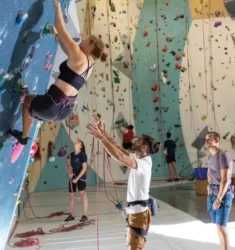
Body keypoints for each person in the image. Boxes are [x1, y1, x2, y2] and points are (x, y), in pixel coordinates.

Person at [9, 0, 108, 145]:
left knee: (27, 102)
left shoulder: (79, 55)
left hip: (53, 105)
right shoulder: (89, 67)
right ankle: (28, 128)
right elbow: (68, 50)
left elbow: (62, 31)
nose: (82, 41)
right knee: (33, 104)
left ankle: (24, 137)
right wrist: (56, 37)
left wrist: (58, 8)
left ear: (91, 45)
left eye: (86, 40)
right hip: (64, 111)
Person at [86, 115, 162, 250]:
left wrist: (101, 138)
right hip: (136, 213)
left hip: (139, 214)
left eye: (138, 140)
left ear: (144, 148)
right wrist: (103, 132)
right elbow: (117, 148)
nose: (135, 139)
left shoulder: (144, 163)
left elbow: (120, 157)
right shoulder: (138, 157)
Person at [204, 131, 234, 250]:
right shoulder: (210, 156)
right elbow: (210, 173)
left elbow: (225, 179)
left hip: (222, 194)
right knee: (218, 227)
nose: (206, 141)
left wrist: (219, 198)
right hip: (212, 193)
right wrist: (209, 187)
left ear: (217, 140)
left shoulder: (223, 156)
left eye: (210, 139)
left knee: (222, 227)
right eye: (205, 139)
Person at [64, 139, 89, 222]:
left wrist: (77, 178)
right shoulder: (70, 155)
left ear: (81, 146)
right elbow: (68, 167)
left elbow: (84, 168)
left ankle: (85, 215)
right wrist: (69, 172)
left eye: (78, 142)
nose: (76, 142)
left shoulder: (82, 155)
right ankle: (71, 214)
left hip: (80, 178)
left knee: (83, 195)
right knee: (72, 196)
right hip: (72, 178)